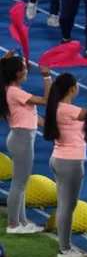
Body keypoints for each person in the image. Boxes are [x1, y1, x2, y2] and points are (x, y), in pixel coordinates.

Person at [43, 73, 87, 257]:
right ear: (72, 89)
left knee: (65, 205)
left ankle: (64, 246)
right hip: (70, 162)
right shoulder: (66, 109)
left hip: (60, 159)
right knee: (67, 206)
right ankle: (64, 248)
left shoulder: (57, 107)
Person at [0, 53, 51, 234]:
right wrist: (47, 77)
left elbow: (32, 116)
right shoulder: (15, 92)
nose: (26, 70)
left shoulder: (11, 90)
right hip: (21, 139)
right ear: (17, 74)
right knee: (19, 184)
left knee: (21, 183)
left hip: (21, 137)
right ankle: (13, 224)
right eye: (23, 68)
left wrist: (50, 127)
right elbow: (46, 101)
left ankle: (22, 221)